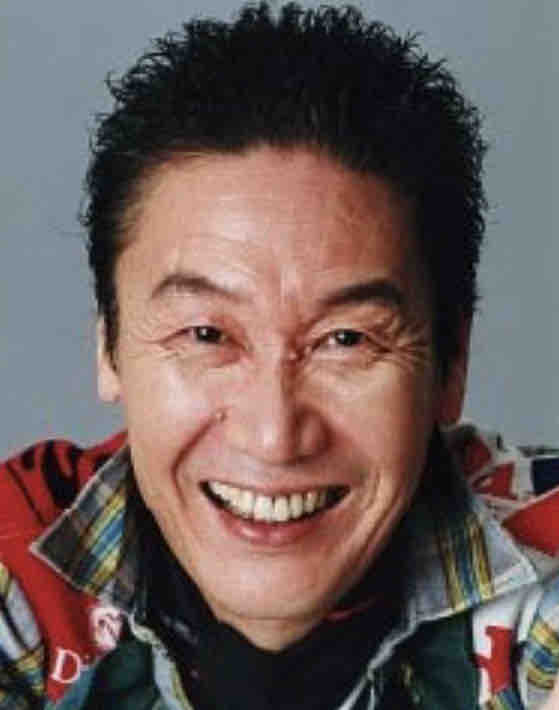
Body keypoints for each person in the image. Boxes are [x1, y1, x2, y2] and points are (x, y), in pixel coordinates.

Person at [1, 3, 558, 708]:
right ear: (109, 345)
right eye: (207, 335)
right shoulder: (20, 569)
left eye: (346, 340)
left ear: (452, 363)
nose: (273, 436)